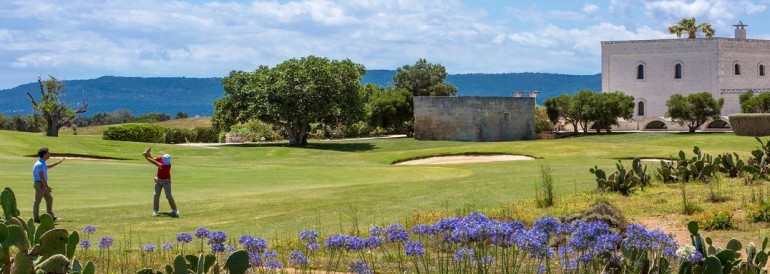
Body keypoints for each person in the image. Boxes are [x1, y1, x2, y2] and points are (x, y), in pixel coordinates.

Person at [143, 147, 179, 217]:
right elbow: (153, 159)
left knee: (168, 196)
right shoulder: (161, 158)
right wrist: (148, 153)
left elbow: (153, 162)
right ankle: (155, 211)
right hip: (158, 180)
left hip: (166, 181)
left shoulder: (166, 165)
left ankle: (175, 210)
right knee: (156, 195)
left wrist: (145, 156)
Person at [32, 148, 64, 223]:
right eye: (48, 153)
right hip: (40, 184)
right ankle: (36, 218)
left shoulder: (42, 163)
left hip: (42, 184)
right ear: (44, 155)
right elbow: (41, 176)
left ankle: (51, 216)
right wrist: (46, 187)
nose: (49, 154)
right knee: (37, 201)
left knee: (49, 199)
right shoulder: (40, 164)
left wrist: (58, 162)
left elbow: (48, 166)